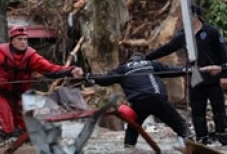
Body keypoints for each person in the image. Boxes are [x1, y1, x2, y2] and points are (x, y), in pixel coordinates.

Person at [0, 25, 84, 142]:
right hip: (2, 95)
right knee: (8, 130)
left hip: (21, 97)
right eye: (19, 39)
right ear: (12, 41)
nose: (23, 42)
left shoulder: (32, 57)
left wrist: (71, 70)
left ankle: (22, 151)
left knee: (25, 132)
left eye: (25, 39)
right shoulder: (0, 54)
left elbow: (51, 70)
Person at [85, 53, 221, 148]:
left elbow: (105, 79)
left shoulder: (123, 68)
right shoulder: (151, 64)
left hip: (138, 103)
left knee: (132, 130)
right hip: (157, 99)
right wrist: (191, 70)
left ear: (130, 60)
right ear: (142, 59)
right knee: (180, 126)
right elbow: (172, 70)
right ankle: (191, 146)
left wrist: (89, 77)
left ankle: (129, 150)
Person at [146, 4, 227, 145]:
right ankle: (202, 138)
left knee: (218, 109)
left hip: (213, 78)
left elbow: (223, 53)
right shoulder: (184, 36)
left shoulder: (211, 32)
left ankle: (222, 136)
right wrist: (146, 58)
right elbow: (167, 48)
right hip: (195, 77)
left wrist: (224, 75)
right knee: (197, 110)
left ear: (196, 15)